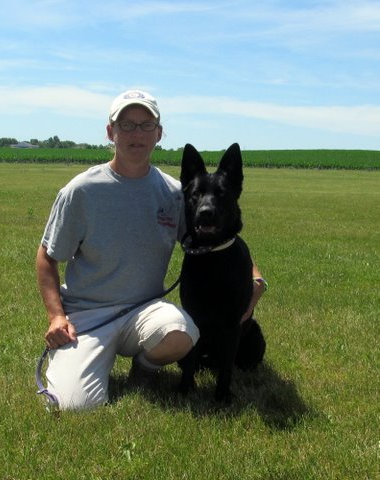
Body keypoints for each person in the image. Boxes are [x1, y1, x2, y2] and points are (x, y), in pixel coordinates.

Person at [36, 90, 265, 410]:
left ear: (158, 134)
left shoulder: (175, 193)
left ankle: (144, 368)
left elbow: (216, 239)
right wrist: (56, 316)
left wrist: (255, 278)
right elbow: (47, 257)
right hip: (89, 316)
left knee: (182, 332)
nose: (136, 134)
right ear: (110, 132)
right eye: (126, 125)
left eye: (146, 125)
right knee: (72, 405)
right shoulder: (81, 191)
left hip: (145, 311)